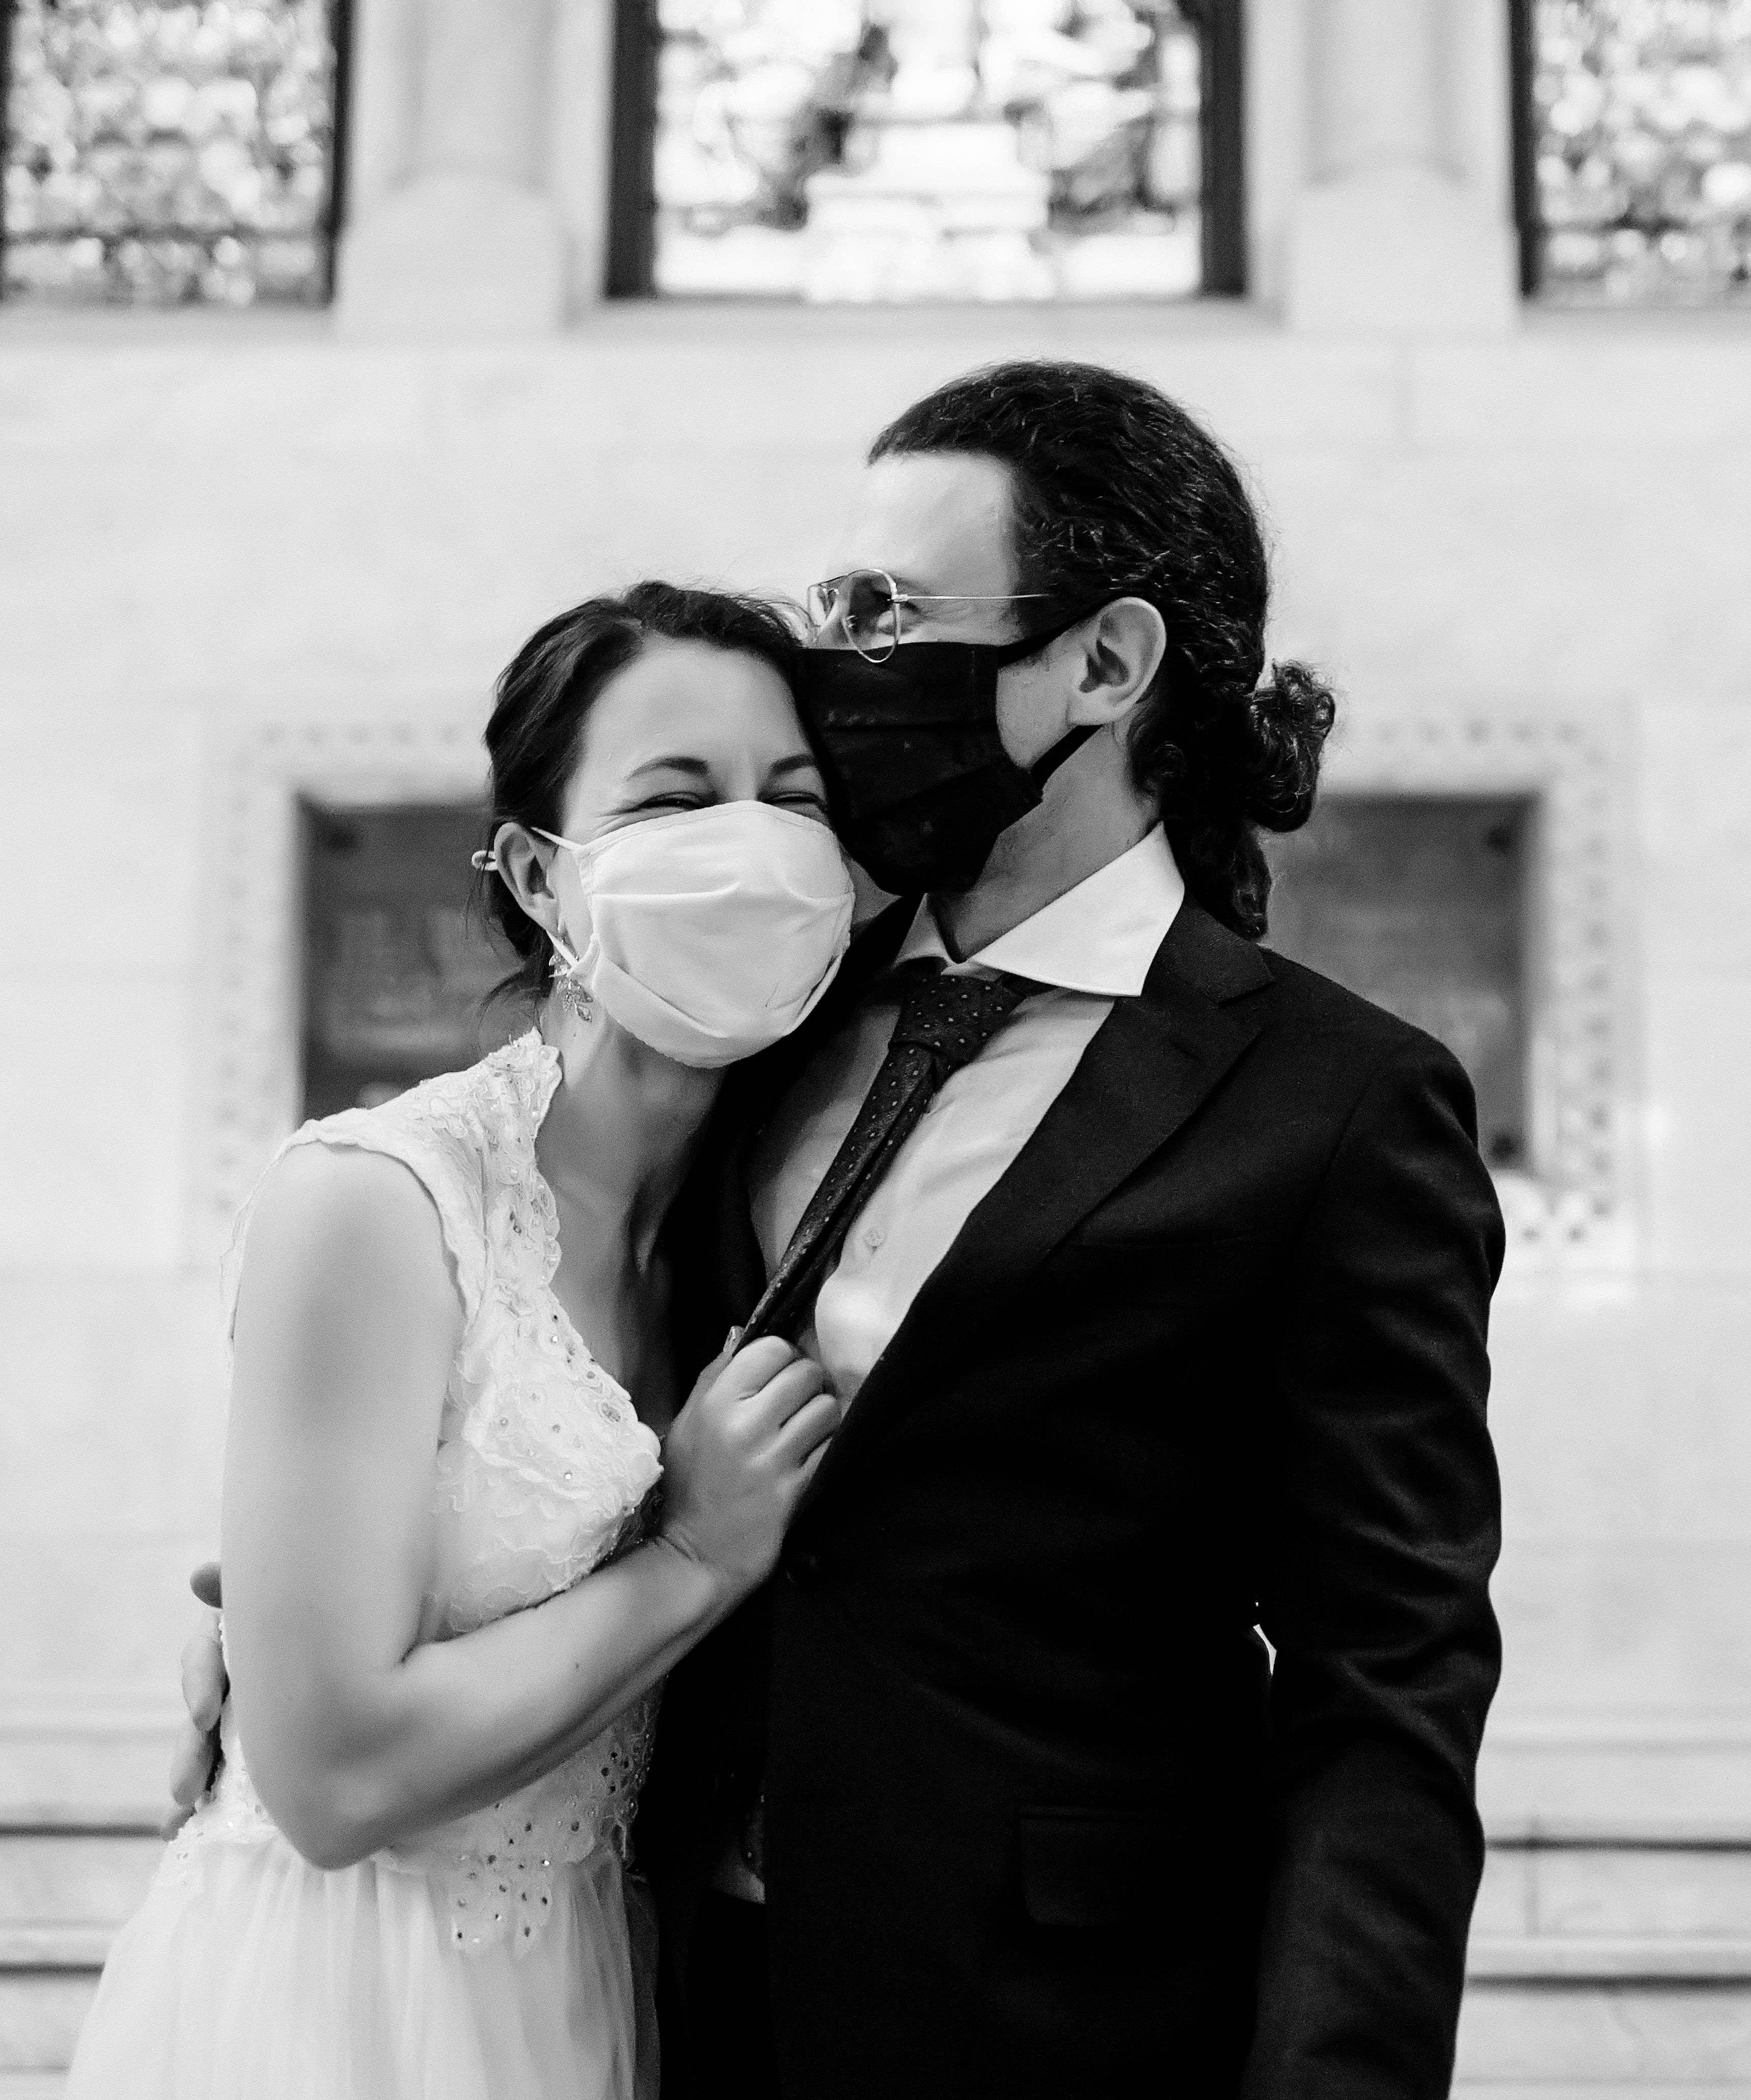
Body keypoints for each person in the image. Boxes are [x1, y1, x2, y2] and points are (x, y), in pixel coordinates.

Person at [172, 359, 1505, 2099]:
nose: (850, 667)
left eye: (886, 613)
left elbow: (1388, 1681)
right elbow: (550, 1347)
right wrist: (293, 1606)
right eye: (832, 610)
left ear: (1103, 665)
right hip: (680, 2000)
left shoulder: (1333, 1100)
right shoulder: (772, 1013)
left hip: (1059, 2028)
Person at [76, 583, 850, 2100]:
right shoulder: (377, 1202)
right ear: (537, 876)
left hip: (593, 1975)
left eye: (795, 798)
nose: (749, 843)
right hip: (344, 2000)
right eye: (675, 800)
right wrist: (692, 1556)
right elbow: (330, 1777)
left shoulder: (760, 1216)